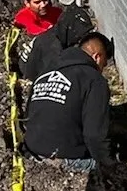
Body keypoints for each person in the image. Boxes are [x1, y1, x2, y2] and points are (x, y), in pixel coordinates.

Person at [23, 31, 114, 170]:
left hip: (30, 150)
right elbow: (94, 135)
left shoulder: (45, 72)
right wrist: (108, 165)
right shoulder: (94, 80)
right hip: (62, 159)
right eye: (104, 65)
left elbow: (28, 113)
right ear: (97, 57)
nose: (101, 70)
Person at [10, 0, 61, 76]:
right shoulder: (23, 17)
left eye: (45, 0)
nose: (43, 5)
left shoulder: (56, 12)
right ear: (27, 3)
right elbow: (35, 31)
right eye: (37, 2)